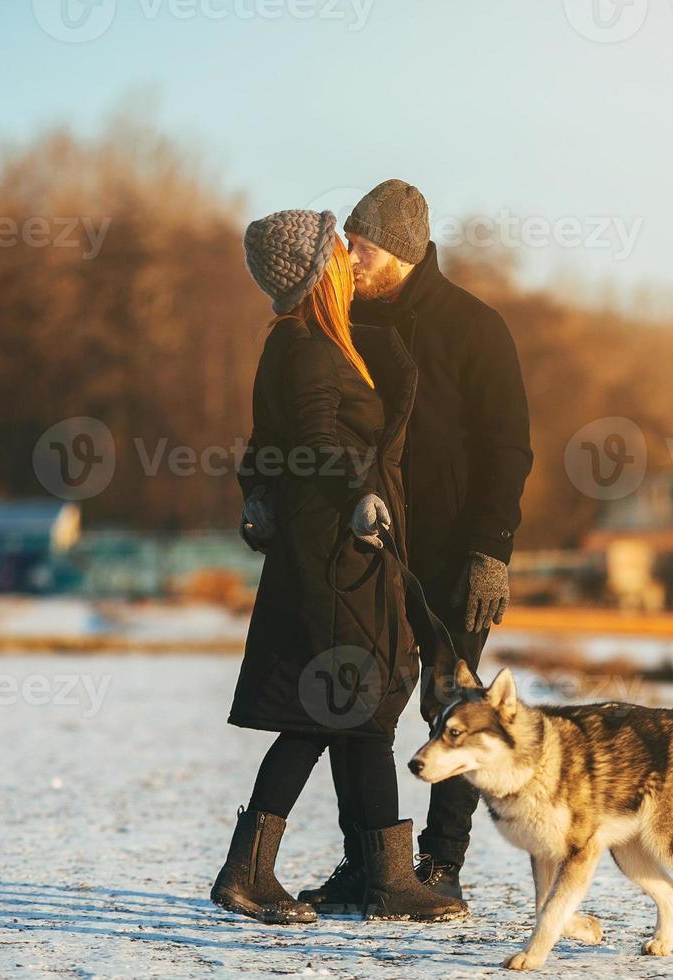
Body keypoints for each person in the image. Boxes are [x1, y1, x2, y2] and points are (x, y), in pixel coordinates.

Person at [252, 182, 534, 915]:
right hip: (374, 549)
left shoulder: (475, 326)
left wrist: (491, 548)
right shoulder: (342, 319)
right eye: (346, 239)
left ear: (402, 252)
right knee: (366, 708)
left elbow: (509, 448)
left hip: (451, 552)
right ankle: (373, 867)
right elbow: (294, 421)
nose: (351, 254)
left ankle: (440, 864)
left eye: (363, 244)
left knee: (453, 705)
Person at [210, 208, 467, 925]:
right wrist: (358, 496)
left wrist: (258, 494)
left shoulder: (317, 343)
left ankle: (381, 879)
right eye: (336, 253)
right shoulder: (305, 348)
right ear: (314, 272)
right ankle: (250, 872)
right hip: (334, 555)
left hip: (341, 551)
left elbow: (267, 446)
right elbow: (319, 438)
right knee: (334, 706)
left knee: (358, 712)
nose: (350, 262)